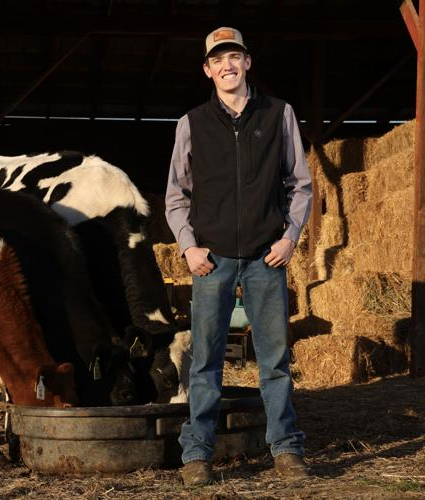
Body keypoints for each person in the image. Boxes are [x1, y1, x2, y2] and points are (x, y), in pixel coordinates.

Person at [165, 27, 313, 487]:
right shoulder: (192, 123)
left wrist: (290, 237)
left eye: (234, 56)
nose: (226, 65)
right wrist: (189, 246)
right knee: (206, 360)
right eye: (217, 60)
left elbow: (300, 184)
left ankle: (286, 451)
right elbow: (176, 195)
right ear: (208, 70)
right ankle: (197, 455)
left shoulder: (279, 113)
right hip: (213, 261)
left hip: (266, 258)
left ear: (247, 62)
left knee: (274, 361)